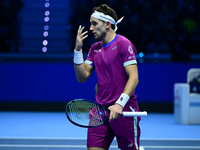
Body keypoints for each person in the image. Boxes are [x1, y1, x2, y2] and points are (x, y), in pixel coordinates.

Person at [73, 4, 141, 150]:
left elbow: (134, 77)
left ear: (107, 24)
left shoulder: (123, 44)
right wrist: (78, 50)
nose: (90, 28)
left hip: (123, 110)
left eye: (94, 24)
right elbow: (82, 77)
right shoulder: (94, 48)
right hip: (100, 111)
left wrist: (119, 104)